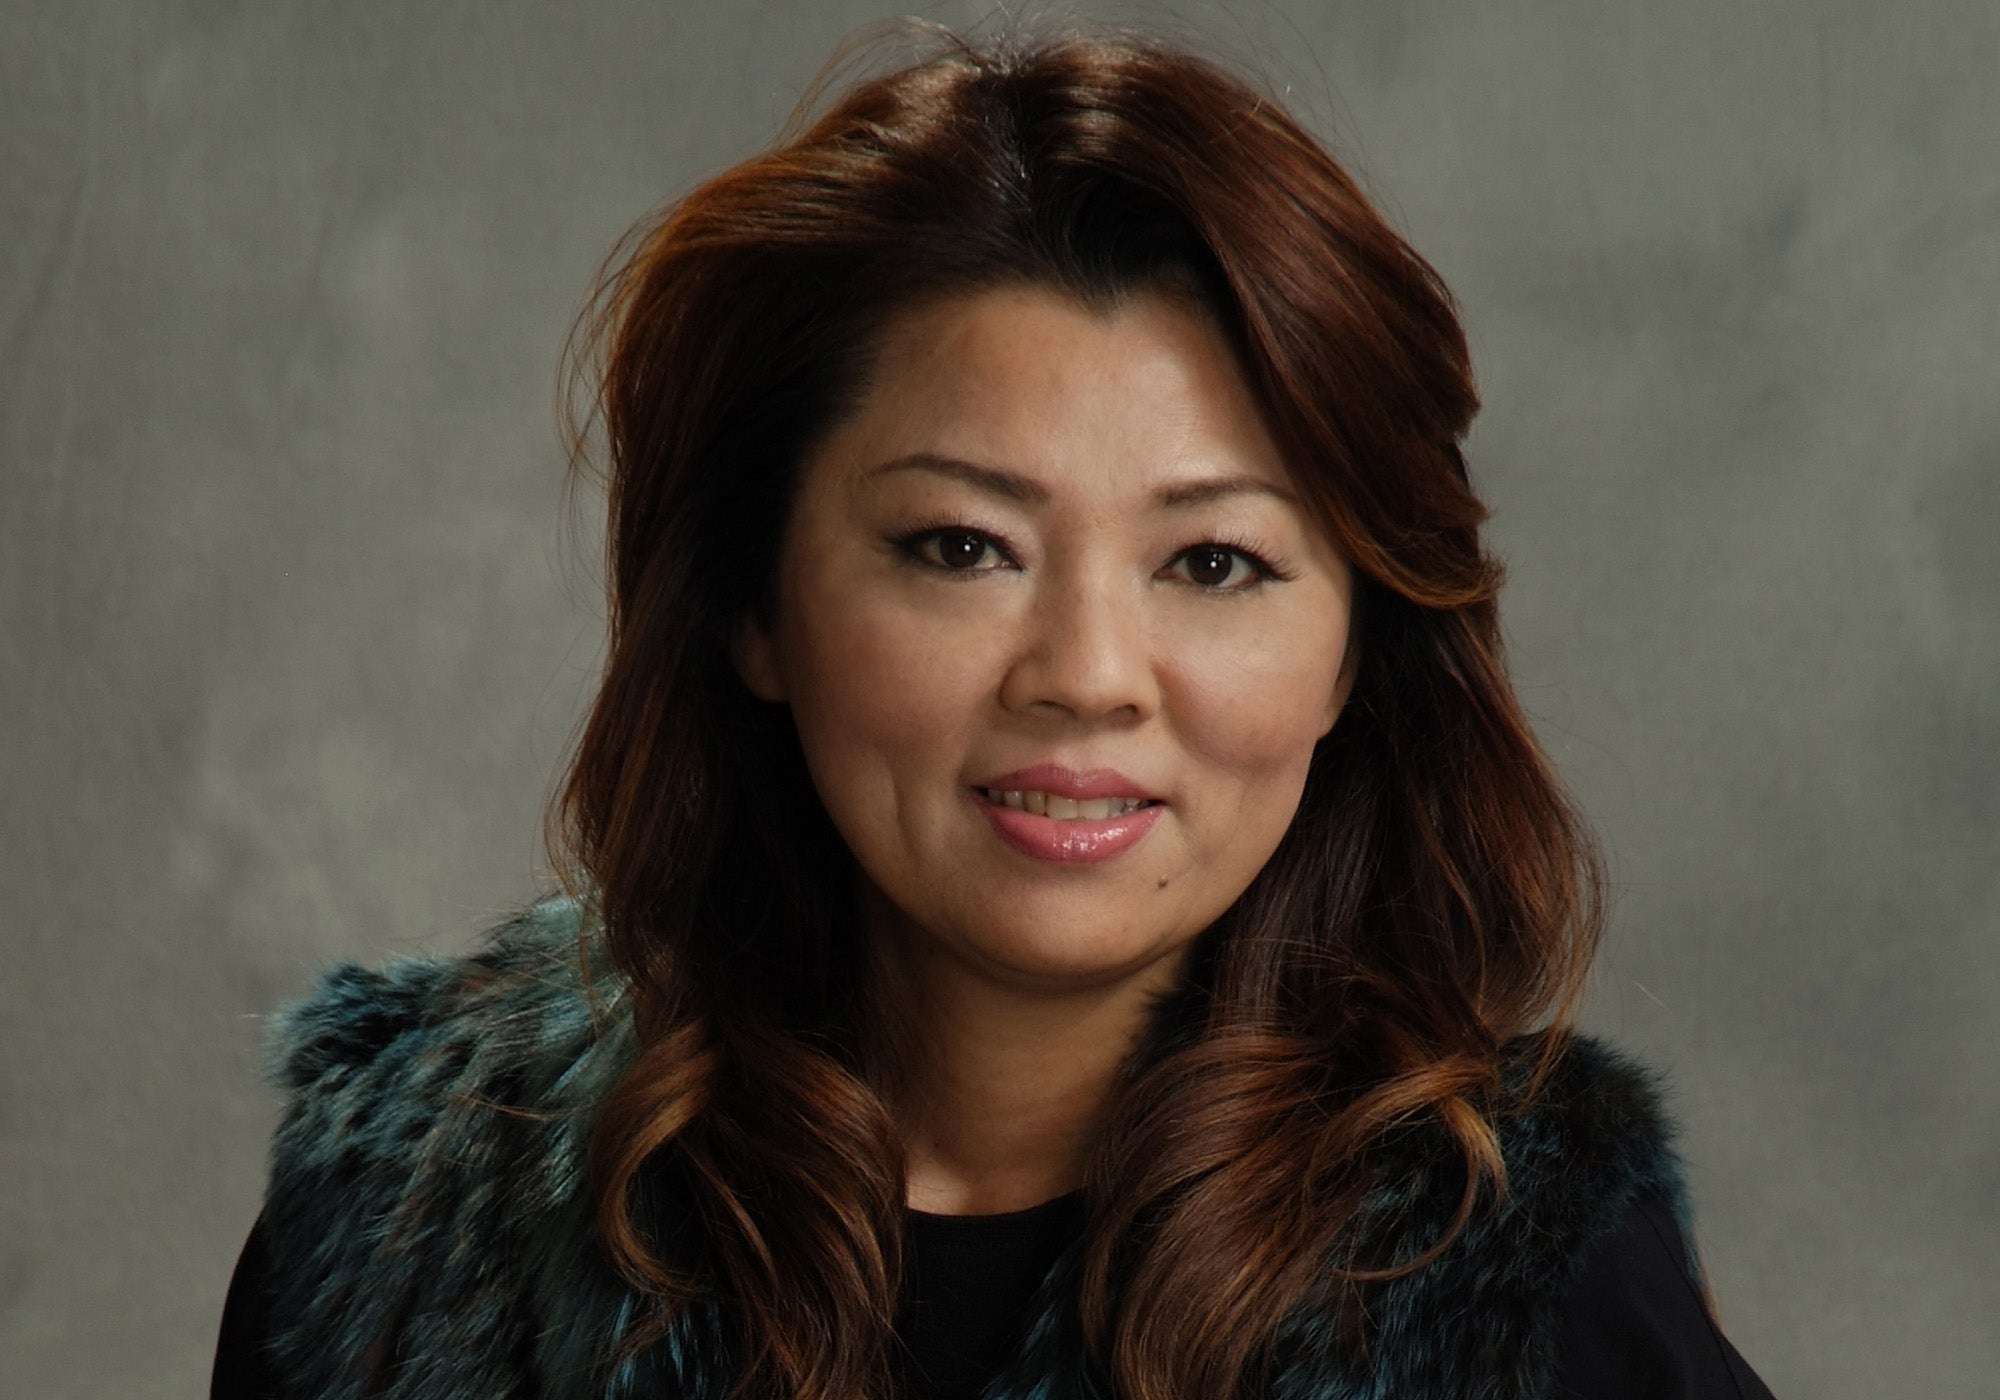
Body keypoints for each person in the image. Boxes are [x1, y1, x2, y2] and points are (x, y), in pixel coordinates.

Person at [211, 26, 1776, 1400]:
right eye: (962, 548)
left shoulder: (1519, 1276)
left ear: (1360, 646)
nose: (1088, 672)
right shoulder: (413, 1207)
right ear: (752, 606)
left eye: (1216, 561)